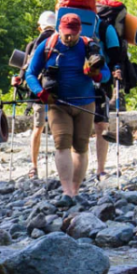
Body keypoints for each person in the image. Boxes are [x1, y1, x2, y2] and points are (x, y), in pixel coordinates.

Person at [25, 13, 110, 208]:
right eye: (66, 34)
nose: (69, 38)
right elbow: (30, 73)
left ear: (79, 31)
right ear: (59, 30)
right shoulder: (48, 45)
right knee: (62, 143)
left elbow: (106, 75)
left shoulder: (89, 46)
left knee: (80, 147)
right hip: (57, 104)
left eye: (73, 34)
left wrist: (96, 75)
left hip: (85, 103)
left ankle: (75, 189)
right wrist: (40, 93)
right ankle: (66, 191)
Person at [11, 11, 56, 179]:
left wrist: (19, 80)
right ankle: (66, 164)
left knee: (37, 128)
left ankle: (33, 166)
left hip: (38, 91)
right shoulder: (61, 41)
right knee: (62, 127)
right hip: (59, 90)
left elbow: (26, 68)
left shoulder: (33, 45)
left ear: (39, 27)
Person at [93, 18, 125, 181]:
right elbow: (116, 56)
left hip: (95, 79)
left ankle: (78, 170)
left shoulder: (104, 27)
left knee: (82, 127)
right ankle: (100, 170)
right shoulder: (106, 28)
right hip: (102, 83)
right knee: (101, 126)